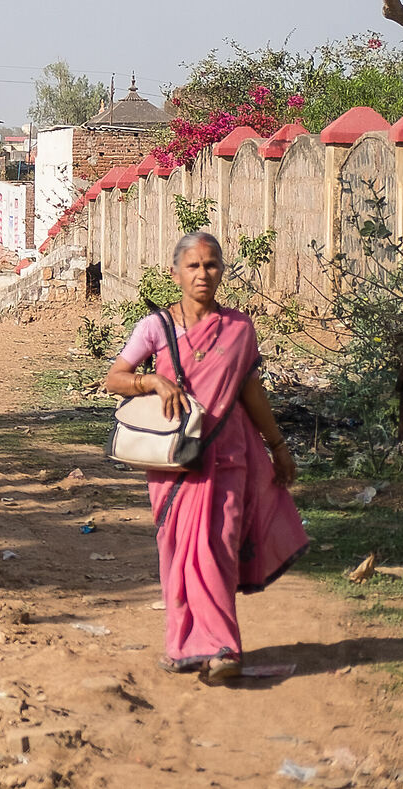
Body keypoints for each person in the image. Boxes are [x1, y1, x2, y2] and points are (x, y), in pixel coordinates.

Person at [104, 230, 307, 680]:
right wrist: (151, 382)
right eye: (193, 265)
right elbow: (115, 377)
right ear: (175, 273)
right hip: (174, 459)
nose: (202, 273)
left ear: (221, 272)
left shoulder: (238, 329)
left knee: (218, 546)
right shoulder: (155, 327)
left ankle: (222, 648)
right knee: (177, 549)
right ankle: (183, 646)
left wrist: (278, 447)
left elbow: (251, 391)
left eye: (211, 265)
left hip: (229, 454)